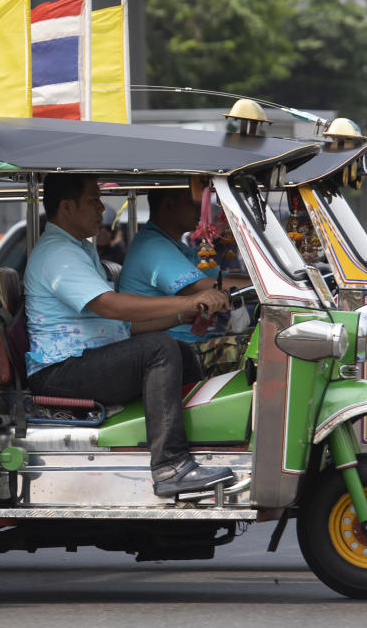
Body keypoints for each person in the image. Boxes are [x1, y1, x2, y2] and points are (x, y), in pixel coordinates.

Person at [24, 174, 235, 498]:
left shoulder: (79, 249)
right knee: (160, 350)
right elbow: (109, 306)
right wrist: (188, 301)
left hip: (84, 361)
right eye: (94, 200)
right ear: (67, 207)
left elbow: (120, 328)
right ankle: (170, 466)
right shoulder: (57, 253)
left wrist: (183, 315)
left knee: (177, 350)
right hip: (59, 371)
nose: (102, 208)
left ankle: (200, 451)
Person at [119, 187, 253, 378]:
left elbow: (219, 279)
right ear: (168, 205)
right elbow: (199, 288)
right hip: (171, 351)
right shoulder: (153, 246)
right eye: (193, 204)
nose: (200, 211)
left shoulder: (175, 246)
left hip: (186, 344)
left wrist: (263, 280)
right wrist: (267, 287)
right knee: (259, 350)